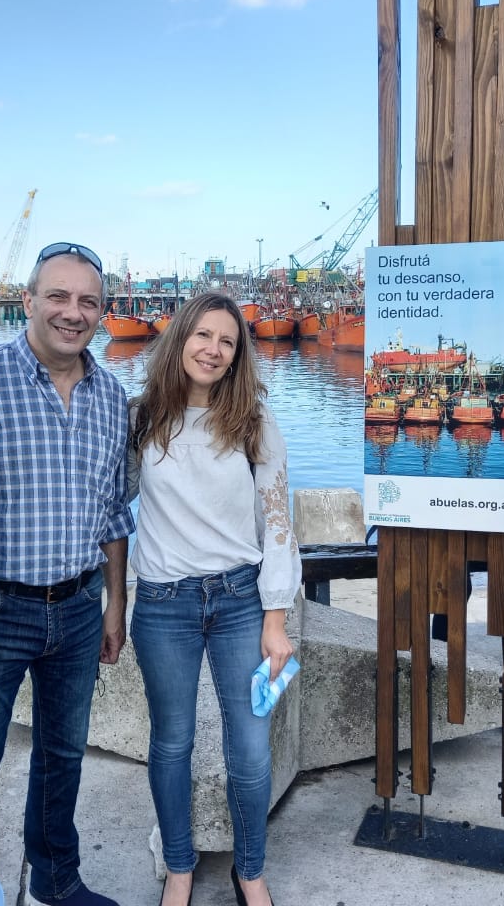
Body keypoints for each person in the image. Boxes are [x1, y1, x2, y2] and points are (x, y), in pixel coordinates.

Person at [0, 242, 133, 906]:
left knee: (64, 757)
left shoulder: (113, 398)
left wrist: (114, 607)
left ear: (103, 312)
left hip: (80, 608)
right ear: (26, 301)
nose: (72, 312)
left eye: (87, 301)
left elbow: (114, 511)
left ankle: (57, 879)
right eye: (57, 296)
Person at [127, 292, 300, 906]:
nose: (213, 349)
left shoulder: (254, 422)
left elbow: (278, 525)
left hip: (239, 602)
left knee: (249, 748)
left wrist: (275, 620)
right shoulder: (141, 417)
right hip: (162, 603)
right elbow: (110, 509)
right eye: (203, 335)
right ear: (180, 339)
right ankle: (179, 865)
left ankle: (249, 870)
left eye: (227, 341)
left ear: (237, 355)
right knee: (172, 742)